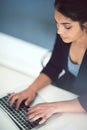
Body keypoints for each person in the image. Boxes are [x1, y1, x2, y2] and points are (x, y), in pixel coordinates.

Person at [9, 0, 87, 125]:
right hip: (65, 90)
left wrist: (53, 107)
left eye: (67, 26)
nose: (59, 31)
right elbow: (54, 66)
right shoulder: (65, 36)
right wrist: (31, 89)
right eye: (57, 23)